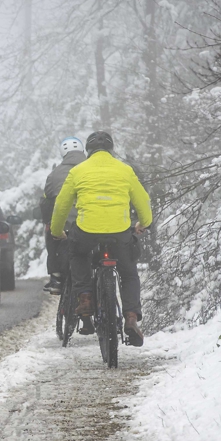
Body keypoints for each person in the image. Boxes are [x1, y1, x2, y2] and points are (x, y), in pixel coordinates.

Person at [49, 131, 152, 346]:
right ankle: (131, 316)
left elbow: (61, 205)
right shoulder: (125, 170)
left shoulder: (78, 171)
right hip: (120, 231)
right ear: (111, 149)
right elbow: (143, 201)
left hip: (87, 230)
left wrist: (57, 231)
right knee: (129, 272)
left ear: (88, 150)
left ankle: (85, 298)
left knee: (78, 254)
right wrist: (143, 223)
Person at [40, 137, 86, 294]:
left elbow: (47, 204)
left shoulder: (54, 174)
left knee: (51, 231)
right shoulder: (94, 168)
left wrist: (49, 222)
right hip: (95, 225)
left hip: (68, 228)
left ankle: (56, 276)